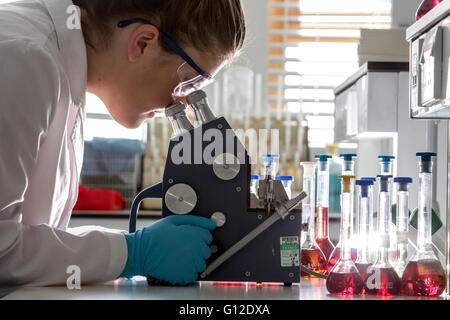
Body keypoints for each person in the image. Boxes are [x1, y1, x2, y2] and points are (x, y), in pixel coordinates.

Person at [0, 0, 246, 287]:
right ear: (142, 43)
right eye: (187, 82)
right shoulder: (21, 58)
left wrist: (128, 247)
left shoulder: (62, 73)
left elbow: (32, 237)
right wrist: (133, 253)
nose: (180, 101)